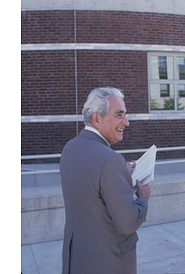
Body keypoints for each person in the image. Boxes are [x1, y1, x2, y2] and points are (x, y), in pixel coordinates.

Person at [60, 87, 151, 274]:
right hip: (108, 263)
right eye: (119, 115)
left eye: (125, 115)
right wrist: (143, 198)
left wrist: (119, 174)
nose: (126, 122)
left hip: (76, 260)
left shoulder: (69, 148)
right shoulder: (110, 160)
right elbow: (128, 222)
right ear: (96, 118)